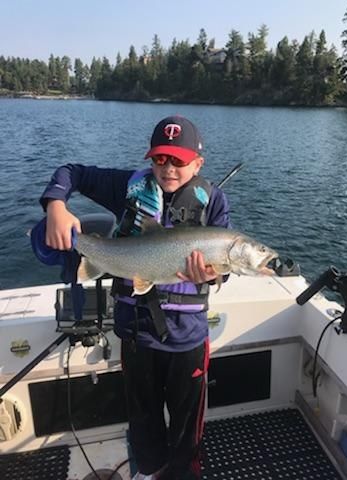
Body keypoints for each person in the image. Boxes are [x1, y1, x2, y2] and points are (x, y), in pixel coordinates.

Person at [40, 115, 231, 480]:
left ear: (198, 162)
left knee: (187, 427)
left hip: (187, 338)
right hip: (136, 333)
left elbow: (223, 266)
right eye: (160, 159)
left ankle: (183, 475)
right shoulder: (126, 186)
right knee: (142, 420)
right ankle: (149, 471)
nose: (168, 168)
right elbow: (71, 171)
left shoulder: (215, 201)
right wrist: (56, 206)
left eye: (178, 160)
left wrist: (214, 273)